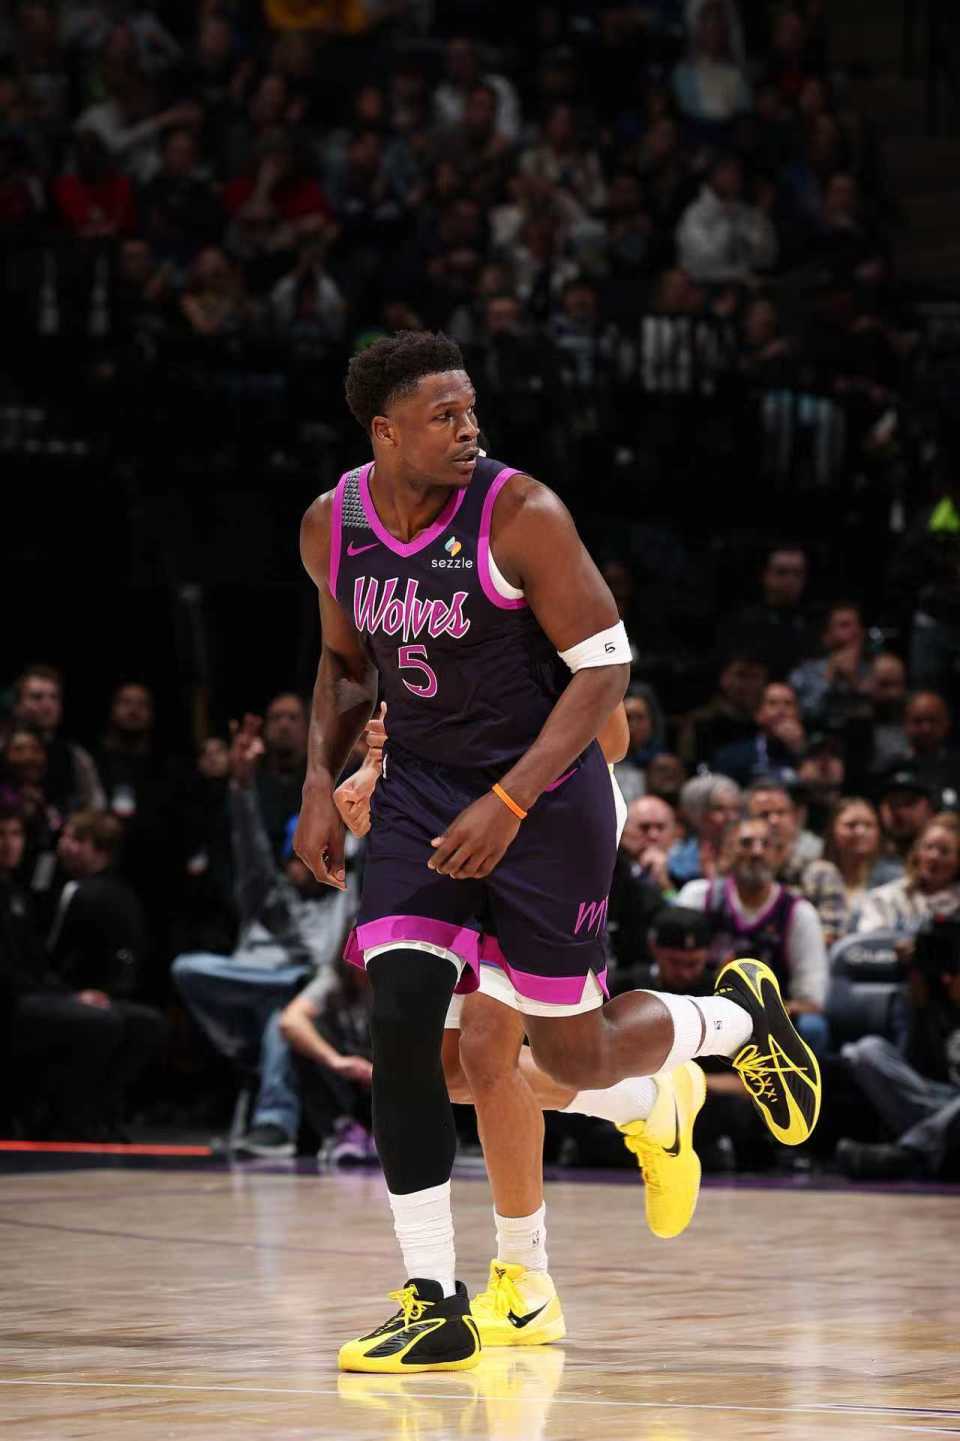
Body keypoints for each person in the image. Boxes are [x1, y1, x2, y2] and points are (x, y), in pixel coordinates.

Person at [293, 330, 821, 1372]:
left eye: (471, 409)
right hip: (423, 797)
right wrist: (320, 778)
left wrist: (506, 799)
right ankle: (435, 1298)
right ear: (385, 432)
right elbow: (346, 663)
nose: (470, 428)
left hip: (547, 800)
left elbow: (606, 680)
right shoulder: (332, 524)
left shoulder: (522, 512)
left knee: (555, 1054)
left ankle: (724, 1026)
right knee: (416, 1037)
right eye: (445, 416)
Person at [173, 715, 351, 1158]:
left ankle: (274, 1127)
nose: (309, 866)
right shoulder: (265, 894)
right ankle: (291, 984)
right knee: (187, 967)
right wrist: (241, 786)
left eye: (321, 857)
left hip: (306, 1013)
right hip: (238, 1006)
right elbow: (249, 844)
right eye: (301, 858)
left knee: (282, 1014)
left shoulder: (344, 900)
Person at [676, 815, 830, 1054]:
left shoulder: (798, 913)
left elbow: (812, 1001)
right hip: (703, 1014)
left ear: (780, 855)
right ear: (726, 852)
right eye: (746, 843)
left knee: (813, 1027)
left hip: (771, 1024)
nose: (757, 852)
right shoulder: (698, 897)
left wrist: (752, 1016)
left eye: (766, 844)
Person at [837, 914, 960, 1179]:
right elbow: (911, 1066)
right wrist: (918, 999)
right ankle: (932, 1143)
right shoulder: (923, 998)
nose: (948, 978)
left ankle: (910, 1155)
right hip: (933, 1101)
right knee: (865, 1051)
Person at [803, 797, 902, 942]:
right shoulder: (815, 874)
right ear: (832, 830)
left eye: (868, 825)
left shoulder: (895, 877)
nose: (860, 831)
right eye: (851, 825)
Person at [11, 664, 104, 815]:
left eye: (54, 698)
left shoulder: (75, 756)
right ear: (18, 705)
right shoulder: (2, 747)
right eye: (37, 697)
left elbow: (96, 806)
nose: (47, 705)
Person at [857, 814, 960, 935]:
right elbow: (869, 943)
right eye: (928, 847)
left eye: (944, 851)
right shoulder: (884, 899)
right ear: (917, 852)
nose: (933, 856)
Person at [712, 682, 807, 788]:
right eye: (772, 703)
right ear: (758, 714)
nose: (781, 710)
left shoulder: (812, 754)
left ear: (798, 713)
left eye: (788, 704)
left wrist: (800, 751)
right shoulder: (732, 756)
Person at [668, 772, 742, 886]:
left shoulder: (752, 852)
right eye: (719, 809)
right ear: (697, 813)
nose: (732, 817)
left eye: (736, 809)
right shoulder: (678, 858)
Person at [878, 766, 936, 863]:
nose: (900, 811)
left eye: (909, 802)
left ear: (929, 809)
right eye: (893, 802)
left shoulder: (943, 860)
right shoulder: (864, 858)